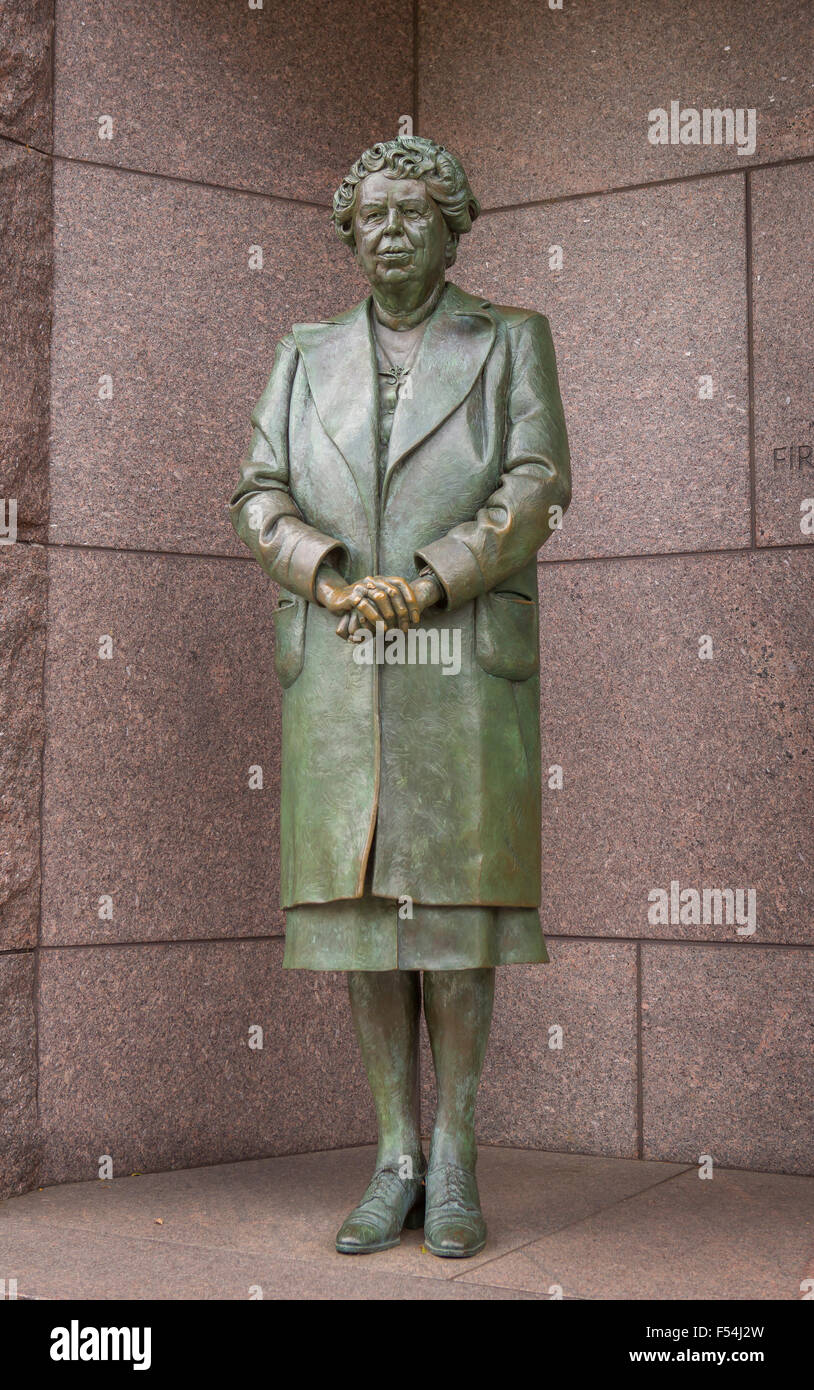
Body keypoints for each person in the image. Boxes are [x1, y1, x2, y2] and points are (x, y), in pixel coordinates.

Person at [230, 134, 571, 1257]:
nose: (388, 233)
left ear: (450, 226)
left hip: (463, 655)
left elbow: (535, 485)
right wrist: (325, 570)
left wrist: (432, 579)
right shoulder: (302, 351)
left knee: (454, 915)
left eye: (411, 215)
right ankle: (395, 1156)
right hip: (338, 658)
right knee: (364, 922)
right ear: (349, 231)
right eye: (370, 216)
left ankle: (460, 1154)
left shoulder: (511, 339)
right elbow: (259, 490)